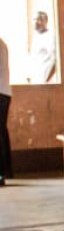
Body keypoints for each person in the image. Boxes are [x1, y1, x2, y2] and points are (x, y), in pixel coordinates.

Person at [29, 10, 56, 83]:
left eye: (38, 20)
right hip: (36, 80)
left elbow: (55, 61)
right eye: (34, 19)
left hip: (45, 81)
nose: (35, 22)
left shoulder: (50, 36)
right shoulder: (36, 37)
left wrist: (47, 80)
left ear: (45, 22)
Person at [0, 36, 10, 185]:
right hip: (4, 92)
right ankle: (6, 170)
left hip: (0, 92)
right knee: (1, 131)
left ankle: (1, 173)